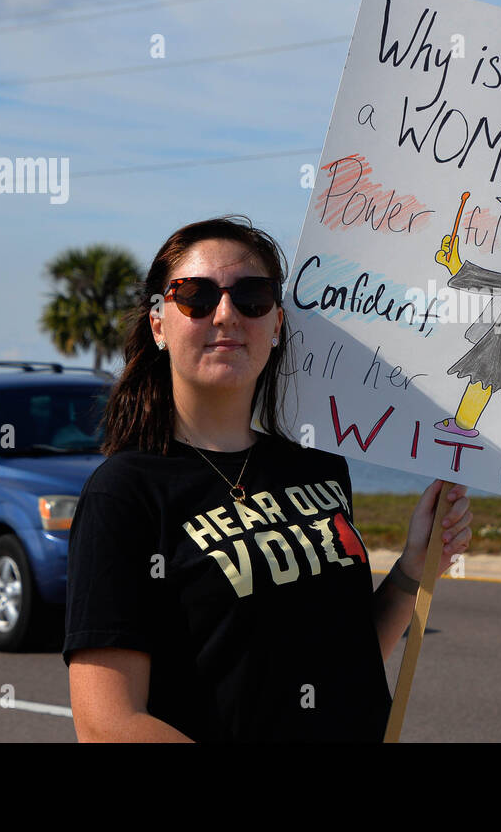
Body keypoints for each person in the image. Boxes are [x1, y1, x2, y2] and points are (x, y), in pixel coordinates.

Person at [63, 214, 472, 742]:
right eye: (196, 296)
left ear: (276, 323)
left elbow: (347, 658)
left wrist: (413, 568)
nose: (227, 314)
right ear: (159, 323)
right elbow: (106, 724)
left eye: (252, 295)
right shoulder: (125, 492)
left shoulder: (320, 468)